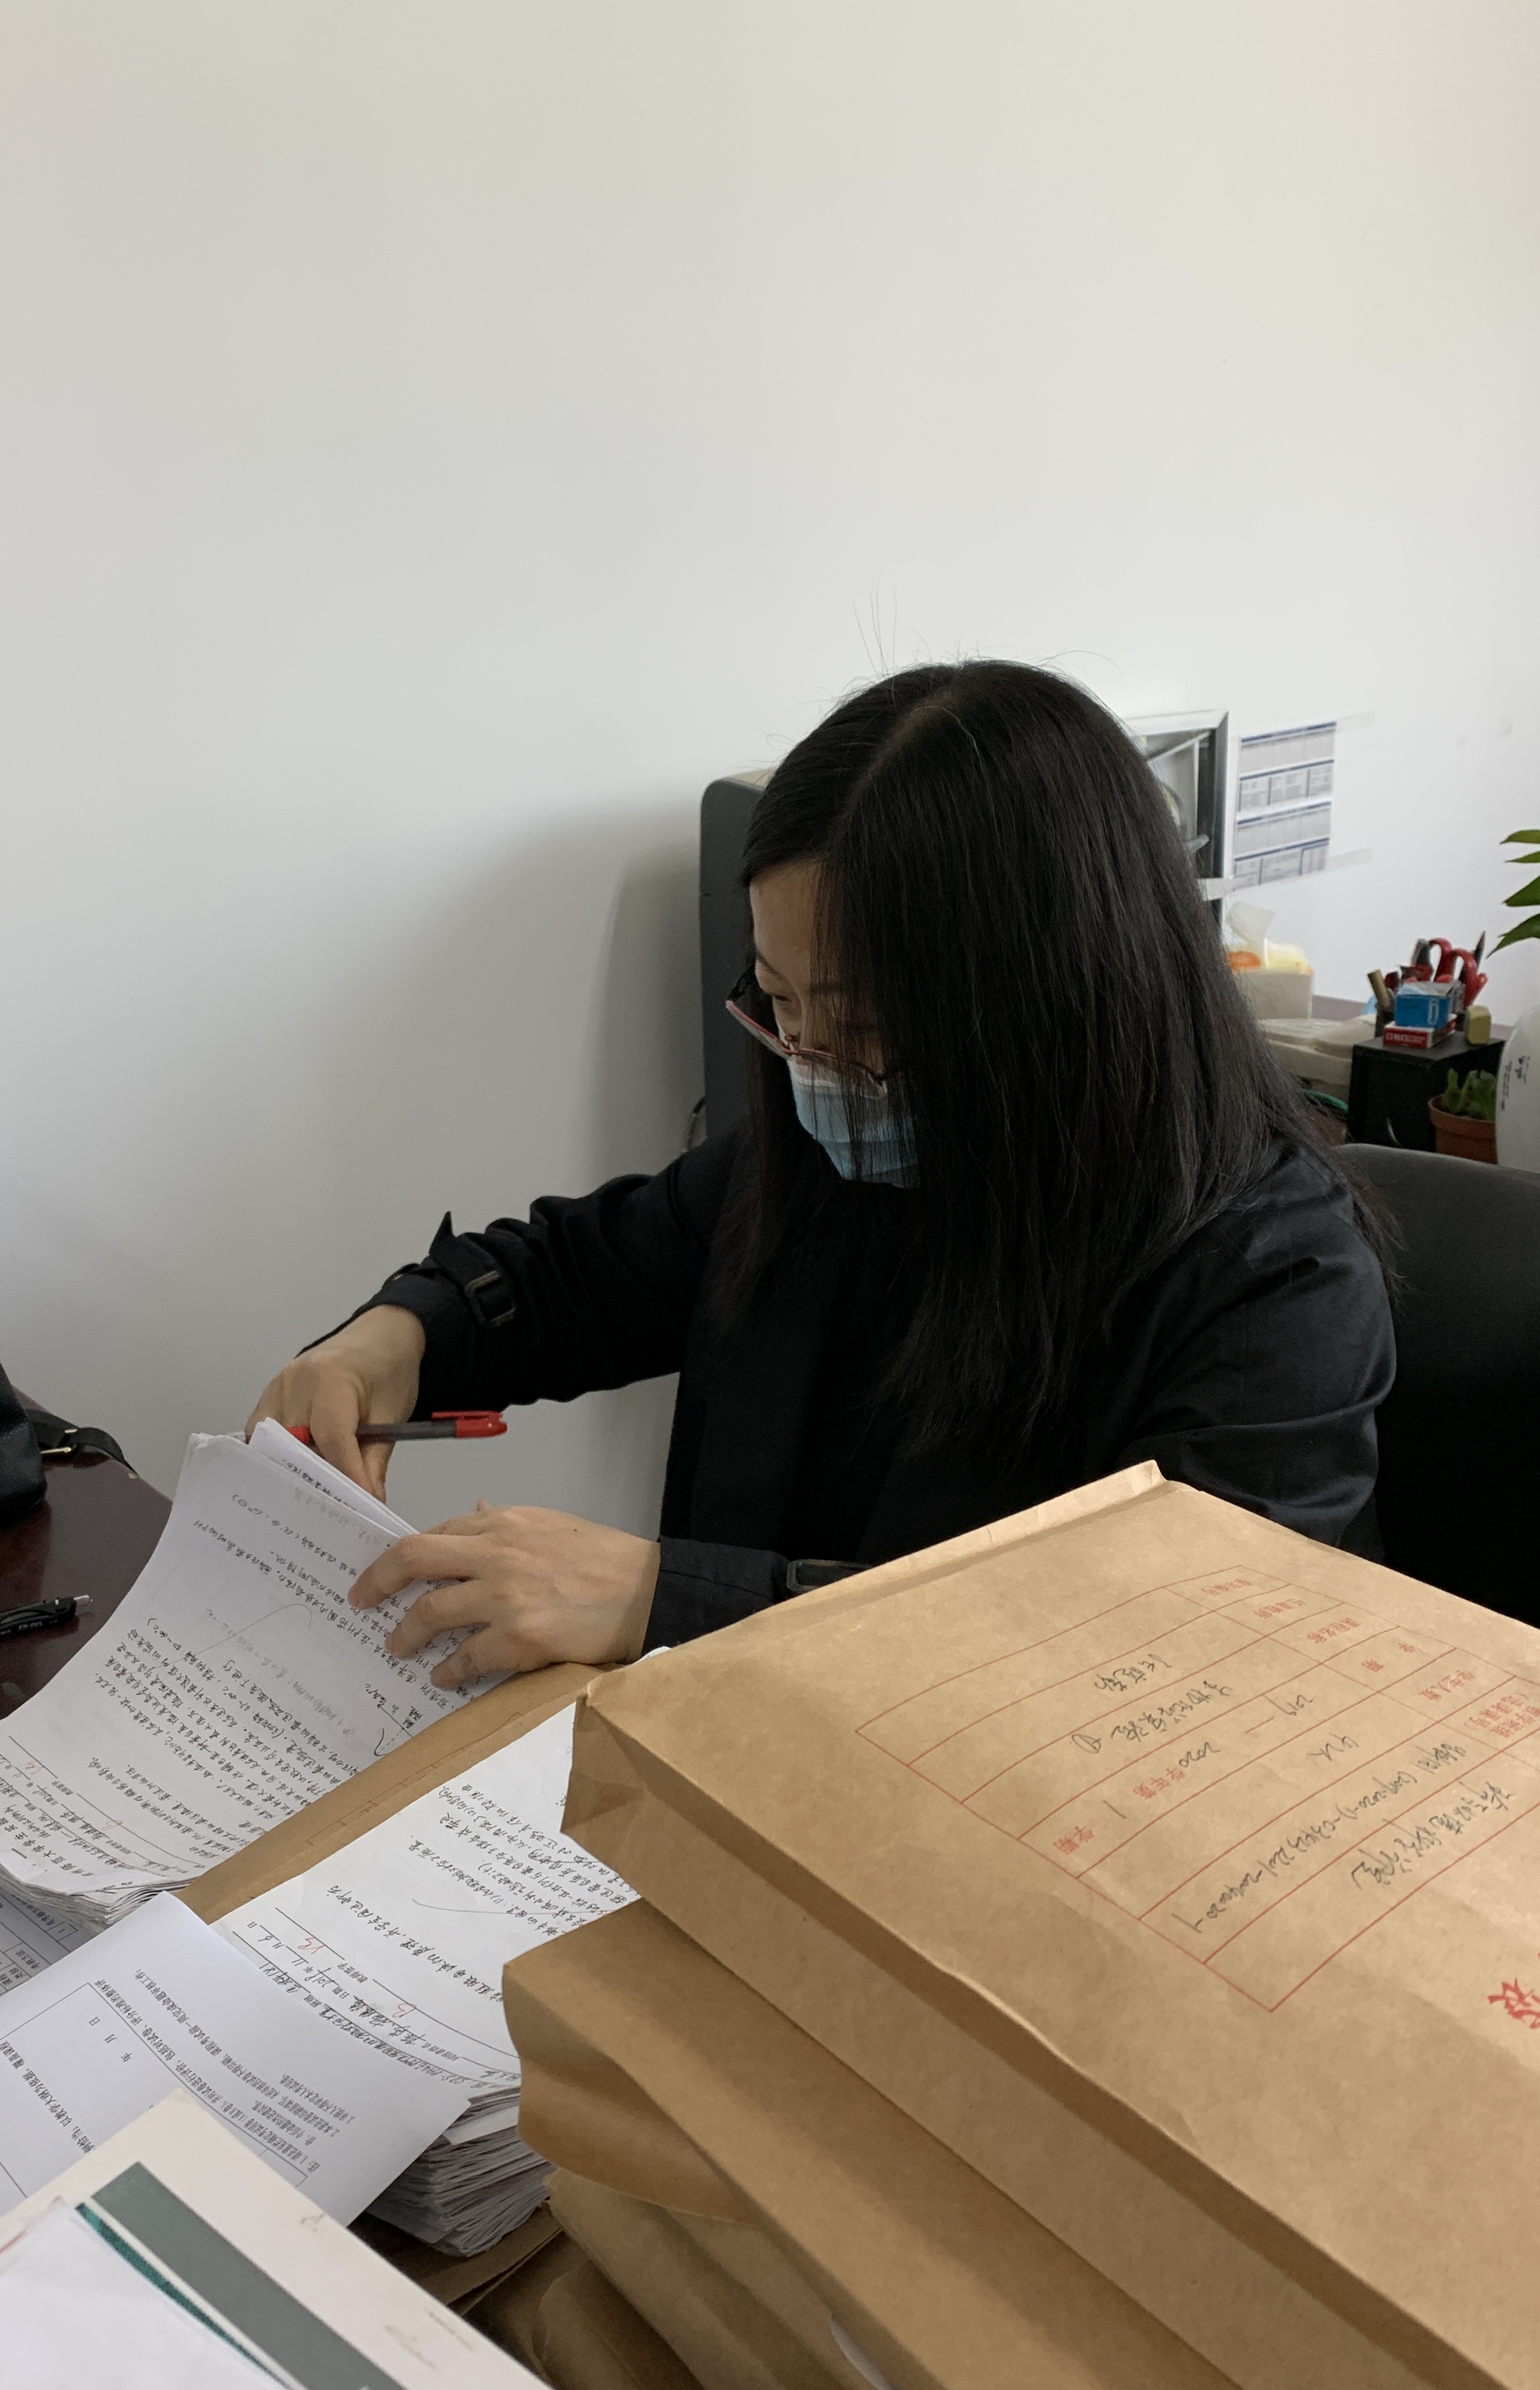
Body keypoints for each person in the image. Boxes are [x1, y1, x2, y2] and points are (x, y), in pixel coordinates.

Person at [250, 661, 1395, 1690]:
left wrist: (663, 1602)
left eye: (860, 1022)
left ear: (1050, 1005)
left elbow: (1144, 1654)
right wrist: (399, 1336)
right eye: (778, 1000)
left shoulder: (1275, 1280)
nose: (810, 1063)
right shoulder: (815, 1163)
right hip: (725, 1758)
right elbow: (579, 1275)